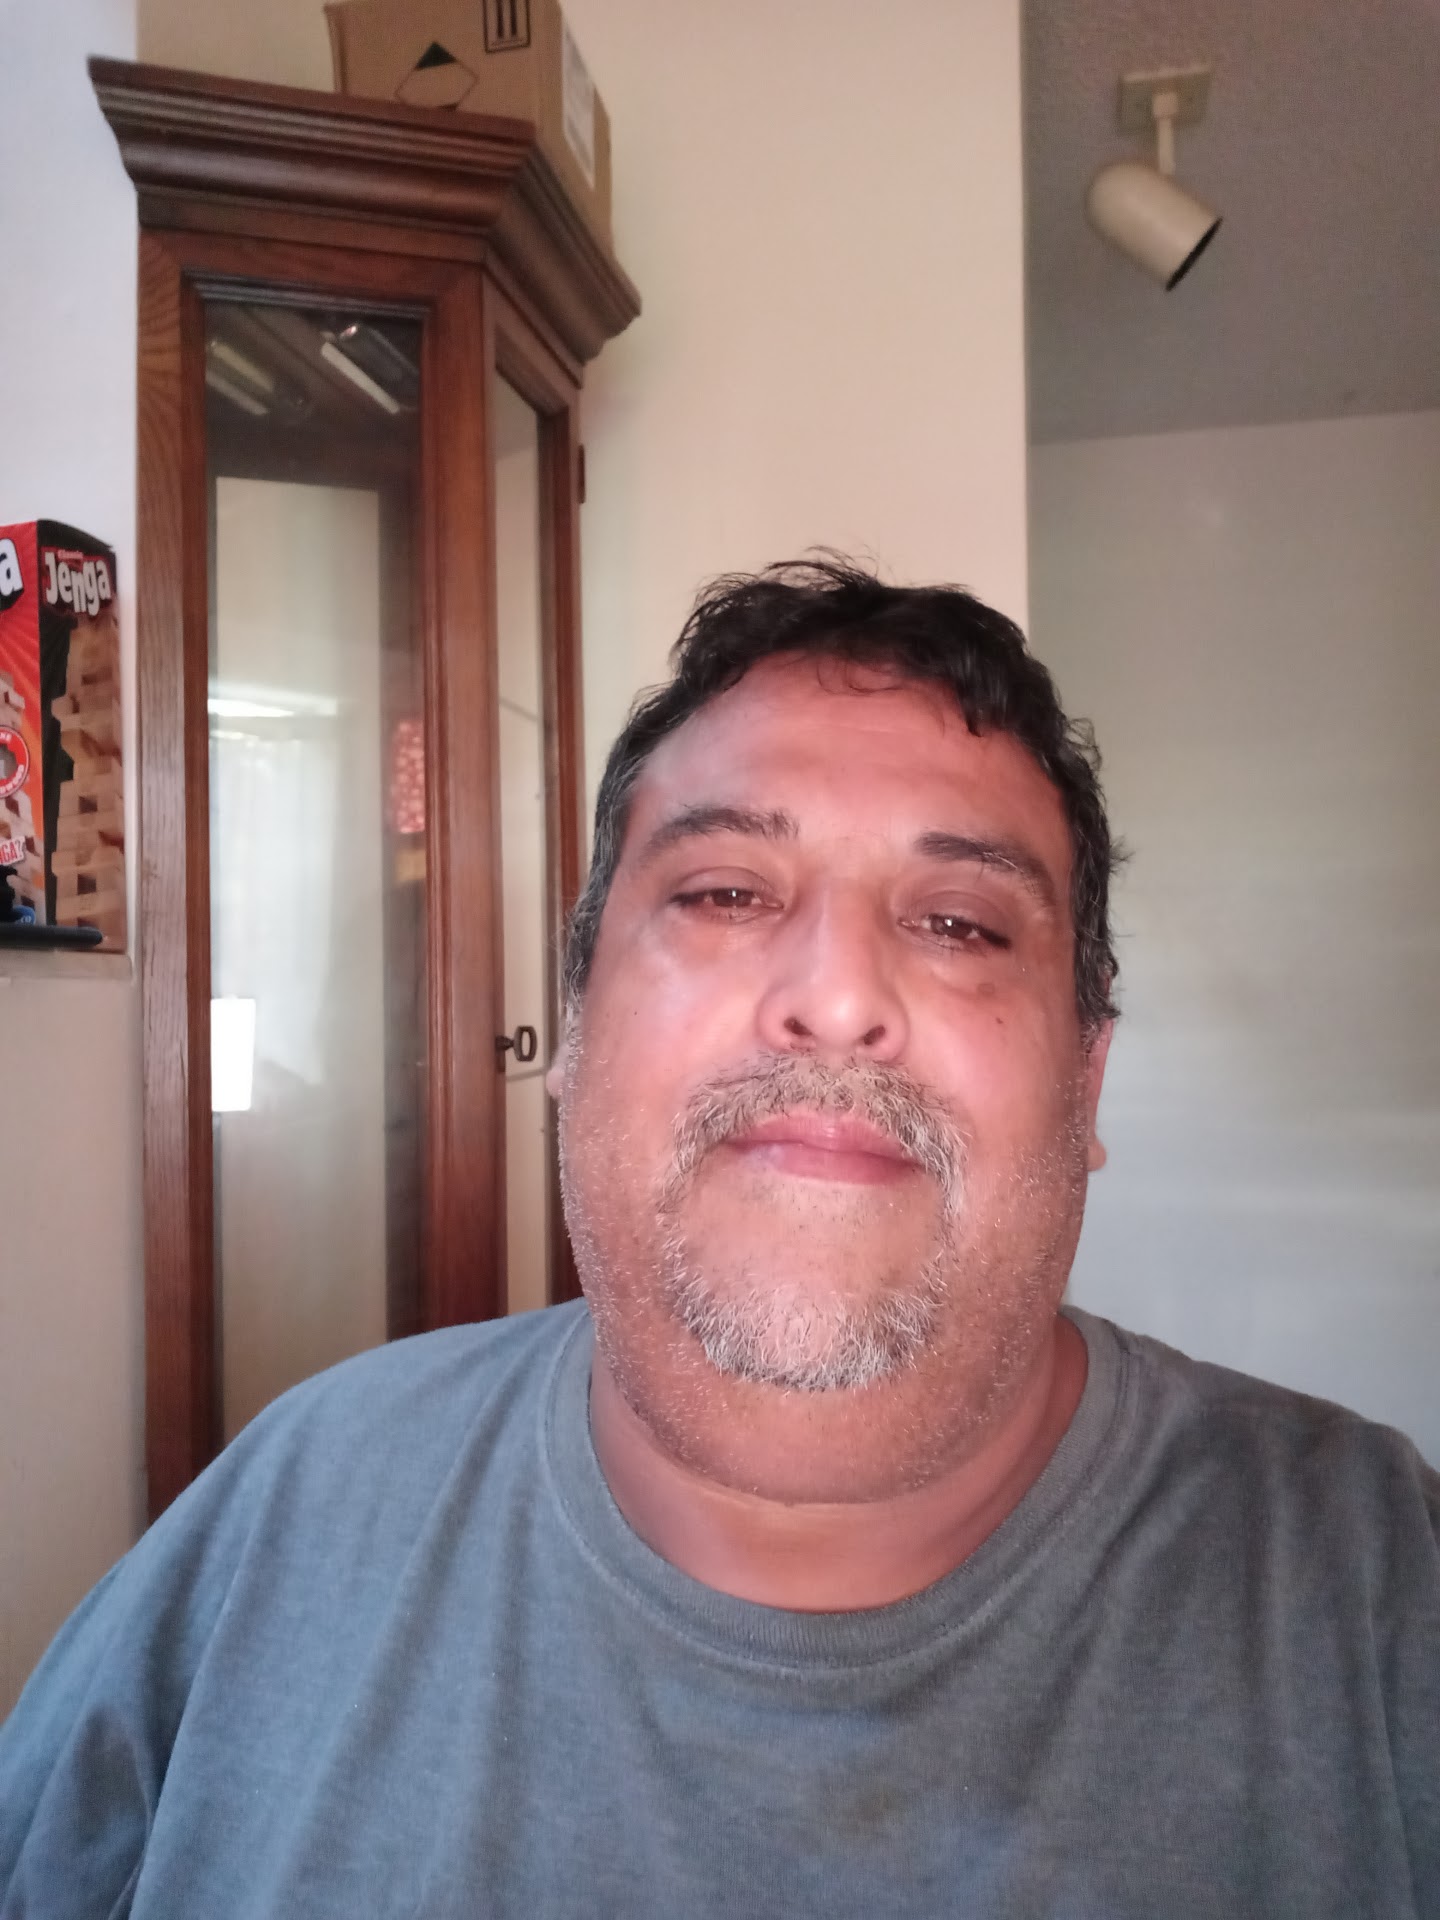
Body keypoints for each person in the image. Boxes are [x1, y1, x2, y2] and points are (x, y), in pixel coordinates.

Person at [2, 557, 1436, 1917]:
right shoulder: (294, 1505)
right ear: (572, 1030)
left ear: (1087, 1080)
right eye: (726, 893)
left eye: (959, 923)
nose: (838, 996)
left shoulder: (1374, 1583)